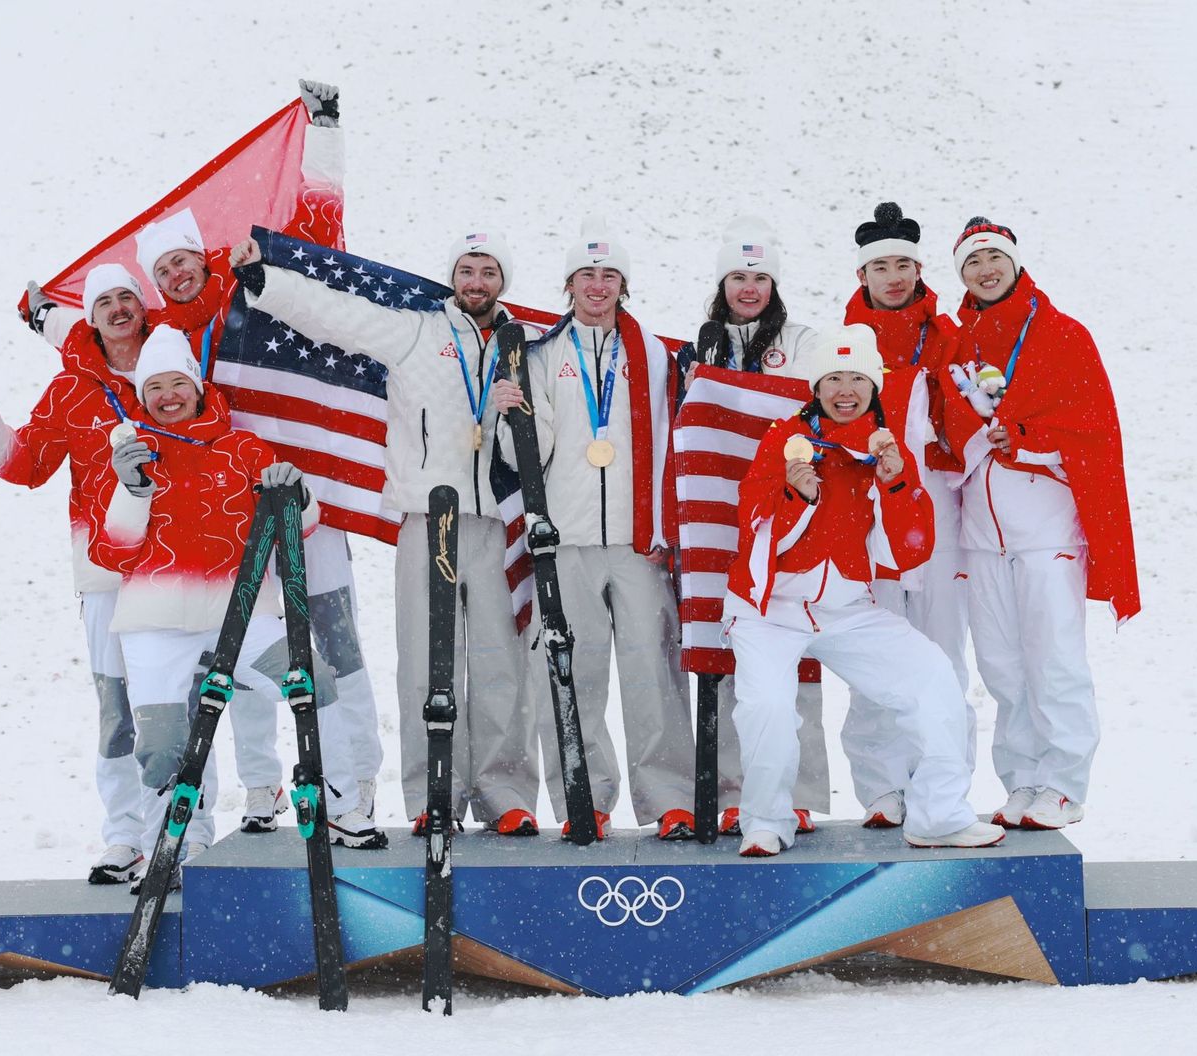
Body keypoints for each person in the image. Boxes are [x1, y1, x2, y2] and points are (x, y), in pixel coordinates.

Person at [123, 80, 383, 835]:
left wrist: (325, 131)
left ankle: (349, 787)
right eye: (161, 271)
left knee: (329, 644)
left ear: (199, 257)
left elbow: (322, 233)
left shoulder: (256, 285)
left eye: (181, 261)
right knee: (230, 647)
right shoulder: (166, 341)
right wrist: (43, 319)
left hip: (307, 495)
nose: (175, 275)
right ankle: (262, 790)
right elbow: (106, 367)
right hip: (228, 511)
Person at [229, 228, 544, 835]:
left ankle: (505, 793)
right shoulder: (418, 332)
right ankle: (433, 793)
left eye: (489, 272)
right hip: (429, 516)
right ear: (453, 277)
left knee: (502, 661)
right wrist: (265, 280)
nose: (476, 282)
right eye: (467, 270)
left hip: (503, 521)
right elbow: (336, 315)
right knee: (427, 662)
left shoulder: (525, 345)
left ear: (504, 281)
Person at [90, 326, 383, 877]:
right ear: (142, 395)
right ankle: (175, 843)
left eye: (178, 382)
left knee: (313, 683)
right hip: (155, 621)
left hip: (240, 610)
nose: (167, 396)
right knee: (161, 741)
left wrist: (296, 492)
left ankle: (341, 807)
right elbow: (112, 553)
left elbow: (306, 522)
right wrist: (131, 491)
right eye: (155, 387)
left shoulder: (242, 448)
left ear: (198, 387)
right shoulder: (134, 453)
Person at [722, 323, 1003, 857]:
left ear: (874, 386)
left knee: (933, 676)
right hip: (769, 610)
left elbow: (909, 550)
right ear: (816, 387)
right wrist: (795, 493)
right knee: (768, 709)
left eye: (856, 378)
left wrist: (896, 483)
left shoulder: (887, 450)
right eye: (833, 378)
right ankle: (765, 819)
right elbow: (751, 525)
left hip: (845, 608)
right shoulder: (784, 439)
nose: (844, 389)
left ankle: (939, 814)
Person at [490, 218, 695, 841]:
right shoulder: (545, 353)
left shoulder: (658, 356)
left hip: (639, 542)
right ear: (569, 284)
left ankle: (671, 798)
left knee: (652, 674)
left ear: (624, 284)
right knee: (571, 672)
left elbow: (677, 438)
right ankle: (585, 793)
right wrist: (509, 414)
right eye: (587, 275)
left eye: (609, 276)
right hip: (568, 539)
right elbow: (533, 450)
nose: (598, 286)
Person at [0, 264, 154, 884]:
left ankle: (181, 835)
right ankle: (124, 837)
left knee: (176, 709)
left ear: (143, 309)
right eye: (104, 302)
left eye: (127, 298)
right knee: (117, 709)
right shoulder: (71, 389)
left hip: (177, 566)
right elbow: (26, 462)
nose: (118, 309)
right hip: (102, 571)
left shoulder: (174, 369)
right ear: (88, 318)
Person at [939, 217, 1139, 830]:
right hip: (981, 533)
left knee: (1053, 658)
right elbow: (946, 430)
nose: (986, 269)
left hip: (1047, 531)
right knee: (1001, 665)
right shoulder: (958, 342)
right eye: (973, 262)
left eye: (995, 257)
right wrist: (975, 439)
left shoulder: (1062, 335)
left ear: (1016, 263)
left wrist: (1025, 440)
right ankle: (1023, 780)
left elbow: (1095, 430)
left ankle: (1064, 782)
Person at [681, 217, 830, 836]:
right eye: (739, 277)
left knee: (791, 650)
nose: (749, 288)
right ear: (722, 283)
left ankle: (795, 789)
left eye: (760, 277)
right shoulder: (700, 346)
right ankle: (732, 786)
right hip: (722, 510)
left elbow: (820, 408)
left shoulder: (802, 340)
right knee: (726, 646)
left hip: (788, 513)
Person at [838, 202, 975, 830]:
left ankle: (943, 786)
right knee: (878, 649)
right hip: (870, 518)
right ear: (862, 276)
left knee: (943, 653)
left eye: (903, 265)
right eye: (880, 267)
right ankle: (882, 787)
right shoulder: (841, 344)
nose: (893, 277)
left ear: (919, 270)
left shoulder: (948, 336)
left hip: (937, 510)